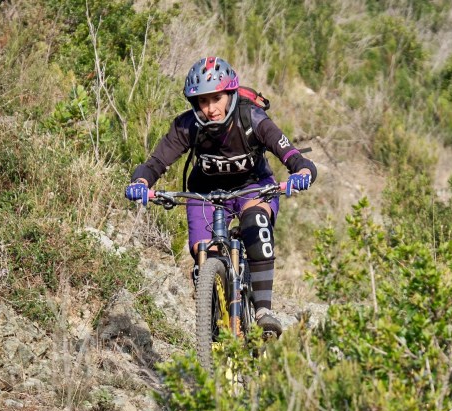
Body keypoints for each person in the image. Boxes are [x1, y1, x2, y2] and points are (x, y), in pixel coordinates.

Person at [124, 56, 317, 337]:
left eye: (216, 98)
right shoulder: (187, 125)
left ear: (230, 94)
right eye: (202, 101)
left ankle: (263, 311)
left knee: (256, 224)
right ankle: (214, 323)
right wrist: (141, 183)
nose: (210, 108)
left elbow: (294, 157)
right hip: (205, 192)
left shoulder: (252, 118)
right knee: (203, 253)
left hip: (253, 187)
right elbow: (155, 164)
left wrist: (301, 174)